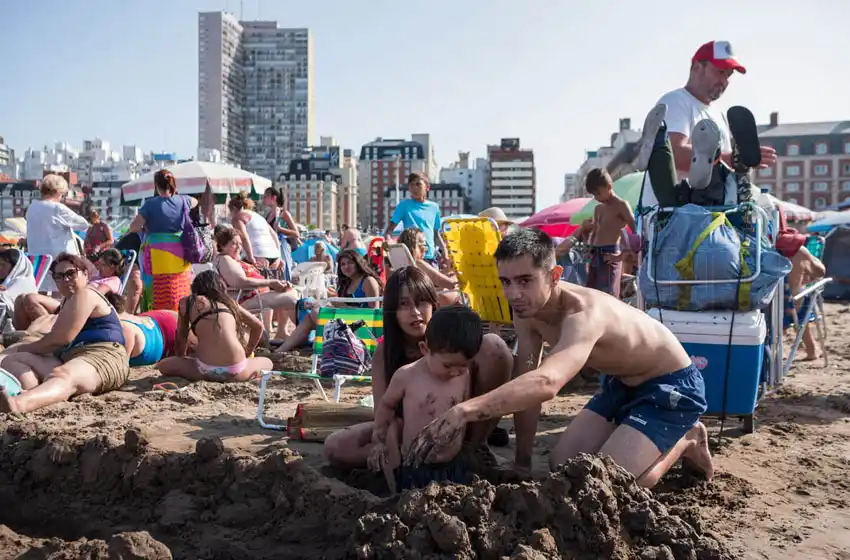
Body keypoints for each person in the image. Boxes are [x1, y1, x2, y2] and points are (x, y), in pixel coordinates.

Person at [404, 229, 713, 489]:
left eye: (525, 280)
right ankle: (638, 437)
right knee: (563, 465)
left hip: (671, 386)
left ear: (554, 275)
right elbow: (527, 376)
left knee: (614, 483)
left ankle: (688, 437)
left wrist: (464, 411)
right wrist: (522, 462)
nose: (513, 294)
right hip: (622, 385)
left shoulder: (584, 315)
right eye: (506, 281)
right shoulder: (526, 309)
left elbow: (547, 382)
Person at [323, 266, 513, 469]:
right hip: (409, 427)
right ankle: (405, 459)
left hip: (461, 423)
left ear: (433, 303)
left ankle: (476, 446)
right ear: (392, 311)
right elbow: (383, 410)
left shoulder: (456, 339)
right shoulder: (386, 350)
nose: (415, 312)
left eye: (421, 302)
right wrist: (387, 443)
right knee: (336, 446)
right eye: (404, 304)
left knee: (494, 345)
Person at [624, 42, 777, 210]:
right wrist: (732, 159)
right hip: (674, 215)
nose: (724, 81)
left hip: (709, 213)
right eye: (720, 71)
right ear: (696, 66)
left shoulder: (718, 114)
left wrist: (740, 163)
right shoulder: (675, 101)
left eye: (728, 74)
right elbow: (673, 153)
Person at [369, 305, 482, 491]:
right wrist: (378, 440)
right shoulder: (407, 375)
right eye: (447, 366)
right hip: (415, 465)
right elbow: (387, 405)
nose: (455, 372)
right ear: (424, 349)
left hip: (451, 464)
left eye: (463, 366)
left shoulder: (464, 375)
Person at [0, 253, 130, 414]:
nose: (65, 280)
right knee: (13, 360)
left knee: (61, 374)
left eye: (70, 273)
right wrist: (17, 351)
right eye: (59, 276)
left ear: (85, 274)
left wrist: (23, 348)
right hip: (72, 356)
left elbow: (60, 339)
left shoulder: (87, 294)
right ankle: (33, 393)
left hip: (102, 356)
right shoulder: (67, 302)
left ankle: (18, 404)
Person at [157, 270, 272, 383]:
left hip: (204, 370)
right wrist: (247, 353)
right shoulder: (229, 303)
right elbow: (258, 326)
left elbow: (181, 337)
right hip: (237, 370)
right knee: (268, 362)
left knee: (163, 365)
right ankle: (251, 377)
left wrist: (181, 359)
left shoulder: (187, 302)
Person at [276, 249, 382, 353]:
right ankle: (282, 350)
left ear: (358, 263)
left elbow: (373, 313)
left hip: (362, 326)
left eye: (350, 263)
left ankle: (320, 348)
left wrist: (341, 304)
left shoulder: (368, 281)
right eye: (343, 264)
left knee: (316, 313)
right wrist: (318, 303)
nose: (346, 267)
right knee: (310, 314)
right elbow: (342, 306)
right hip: (348, 321)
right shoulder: (348, 283)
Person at [129, 169, 198, 312]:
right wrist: (177, 196)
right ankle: (180, 315)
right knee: (179, 284)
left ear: (156, 185)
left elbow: (134, 227)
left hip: (156, 253)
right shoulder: (184, 200)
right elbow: (195, 201)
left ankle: (156, 317)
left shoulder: (150, 204)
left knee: (157, 287)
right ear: (172, 183)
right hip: (180, 252)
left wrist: (145, 229)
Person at [214, 227, 298, 340]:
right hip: (244, 300)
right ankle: (298, 334)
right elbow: (240, 282)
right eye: (234, 243)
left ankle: (283, 332)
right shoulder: (225, 260)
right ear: (222, 246)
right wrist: (271, 282)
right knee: (291, 298)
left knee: (289, 293)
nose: (239, 247)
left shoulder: (231, 259)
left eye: (240, 243)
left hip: (253, 295)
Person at [12, 249, 123, 330]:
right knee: (21, 298)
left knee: (30, 299)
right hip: (66, 302)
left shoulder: (113, 280)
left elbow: (98, 294)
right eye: (99, 264)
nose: (99, 267)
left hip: (80, 308)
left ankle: (52, 330)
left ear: (113, 267)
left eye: (103, 265)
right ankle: (21, 336)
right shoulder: (97, 276)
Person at [25, 174, 90, 292]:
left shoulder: (32, 208)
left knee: (41, 290)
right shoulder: (57, 208)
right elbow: (83, 224)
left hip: (38, 260)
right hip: (58, 259)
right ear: (59, 192)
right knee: (62, 292)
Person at [582, 169, 635, 299]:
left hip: (610, 254)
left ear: (609, 187)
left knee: (608, 296)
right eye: (594, 195)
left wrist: (621, 256)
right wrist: (588, 250)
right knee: (591, 295)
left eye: (598, 193)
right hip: (595, 254)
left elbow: (635, 233)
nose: (596, 198)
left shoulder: (621, 205)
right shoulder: (598, 209)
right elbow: (595, 233)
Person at [776, 224, 826, 361]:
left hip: (775, 302)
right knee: (803, 324)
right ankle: (812, 351)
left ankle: (776, 353)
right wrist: (811, 261)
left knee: (776, 326)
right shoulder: (800, 251)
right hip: (796, 299)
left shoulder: (772, 250)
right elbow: (820, 272)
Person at [102, 293, 182, 367]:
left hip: (167, 328)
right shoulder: (122, 323)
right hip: (157, 318)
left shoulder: (122, 329)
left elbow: (118, 366)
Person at [384, 172, 447, 265]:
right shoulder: (403, 205)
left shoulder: (434, 207)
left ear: (427, 187)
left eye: (418, 184)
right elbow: (389, 230)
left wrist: (444, 250)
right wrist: (389, 241)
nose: (414, 188)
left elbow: (436, 234)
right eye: (411, 185)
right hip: (412, 256)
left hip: (430, 256)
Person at [397, 227, 459, 306]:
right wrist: (455, 276)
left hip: (416, 299)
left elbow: (433, 278)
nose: (426, 250)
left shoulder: (403, 264)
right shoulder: (419, 264)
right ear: (414, 247)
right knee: (458, 291)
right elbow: (451, 285)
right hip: (430, 302)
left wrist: (446, 274)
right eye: (424, 246)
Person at [229, 191, 281, 267]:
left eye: (230, 212)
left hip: (258, 254)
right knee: (269, 278)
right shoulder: (259, 217)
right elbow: (274, 235)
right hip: (274, 256)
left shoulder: (237, 217)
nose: (230, 215)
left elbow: (244, 237)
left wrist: (250, 257)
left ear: (233, 208)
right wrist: (279, 256)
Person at [262, 187, 300, 281]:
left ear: (273, 198)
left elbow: (296, 233)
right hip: (271, 248)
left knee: (282, 273)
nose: (264, 199)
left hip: (281, 248)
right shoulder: (268, 215)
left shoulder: (284, 214)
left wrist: (280, 229)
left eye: (266, 196)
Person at [0, 249, 37, 319]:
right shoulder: (5, 281)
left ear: (15, 266)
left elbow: (6, 298)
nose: (0, 267)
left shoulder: (24, 281)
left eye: (3, 265)